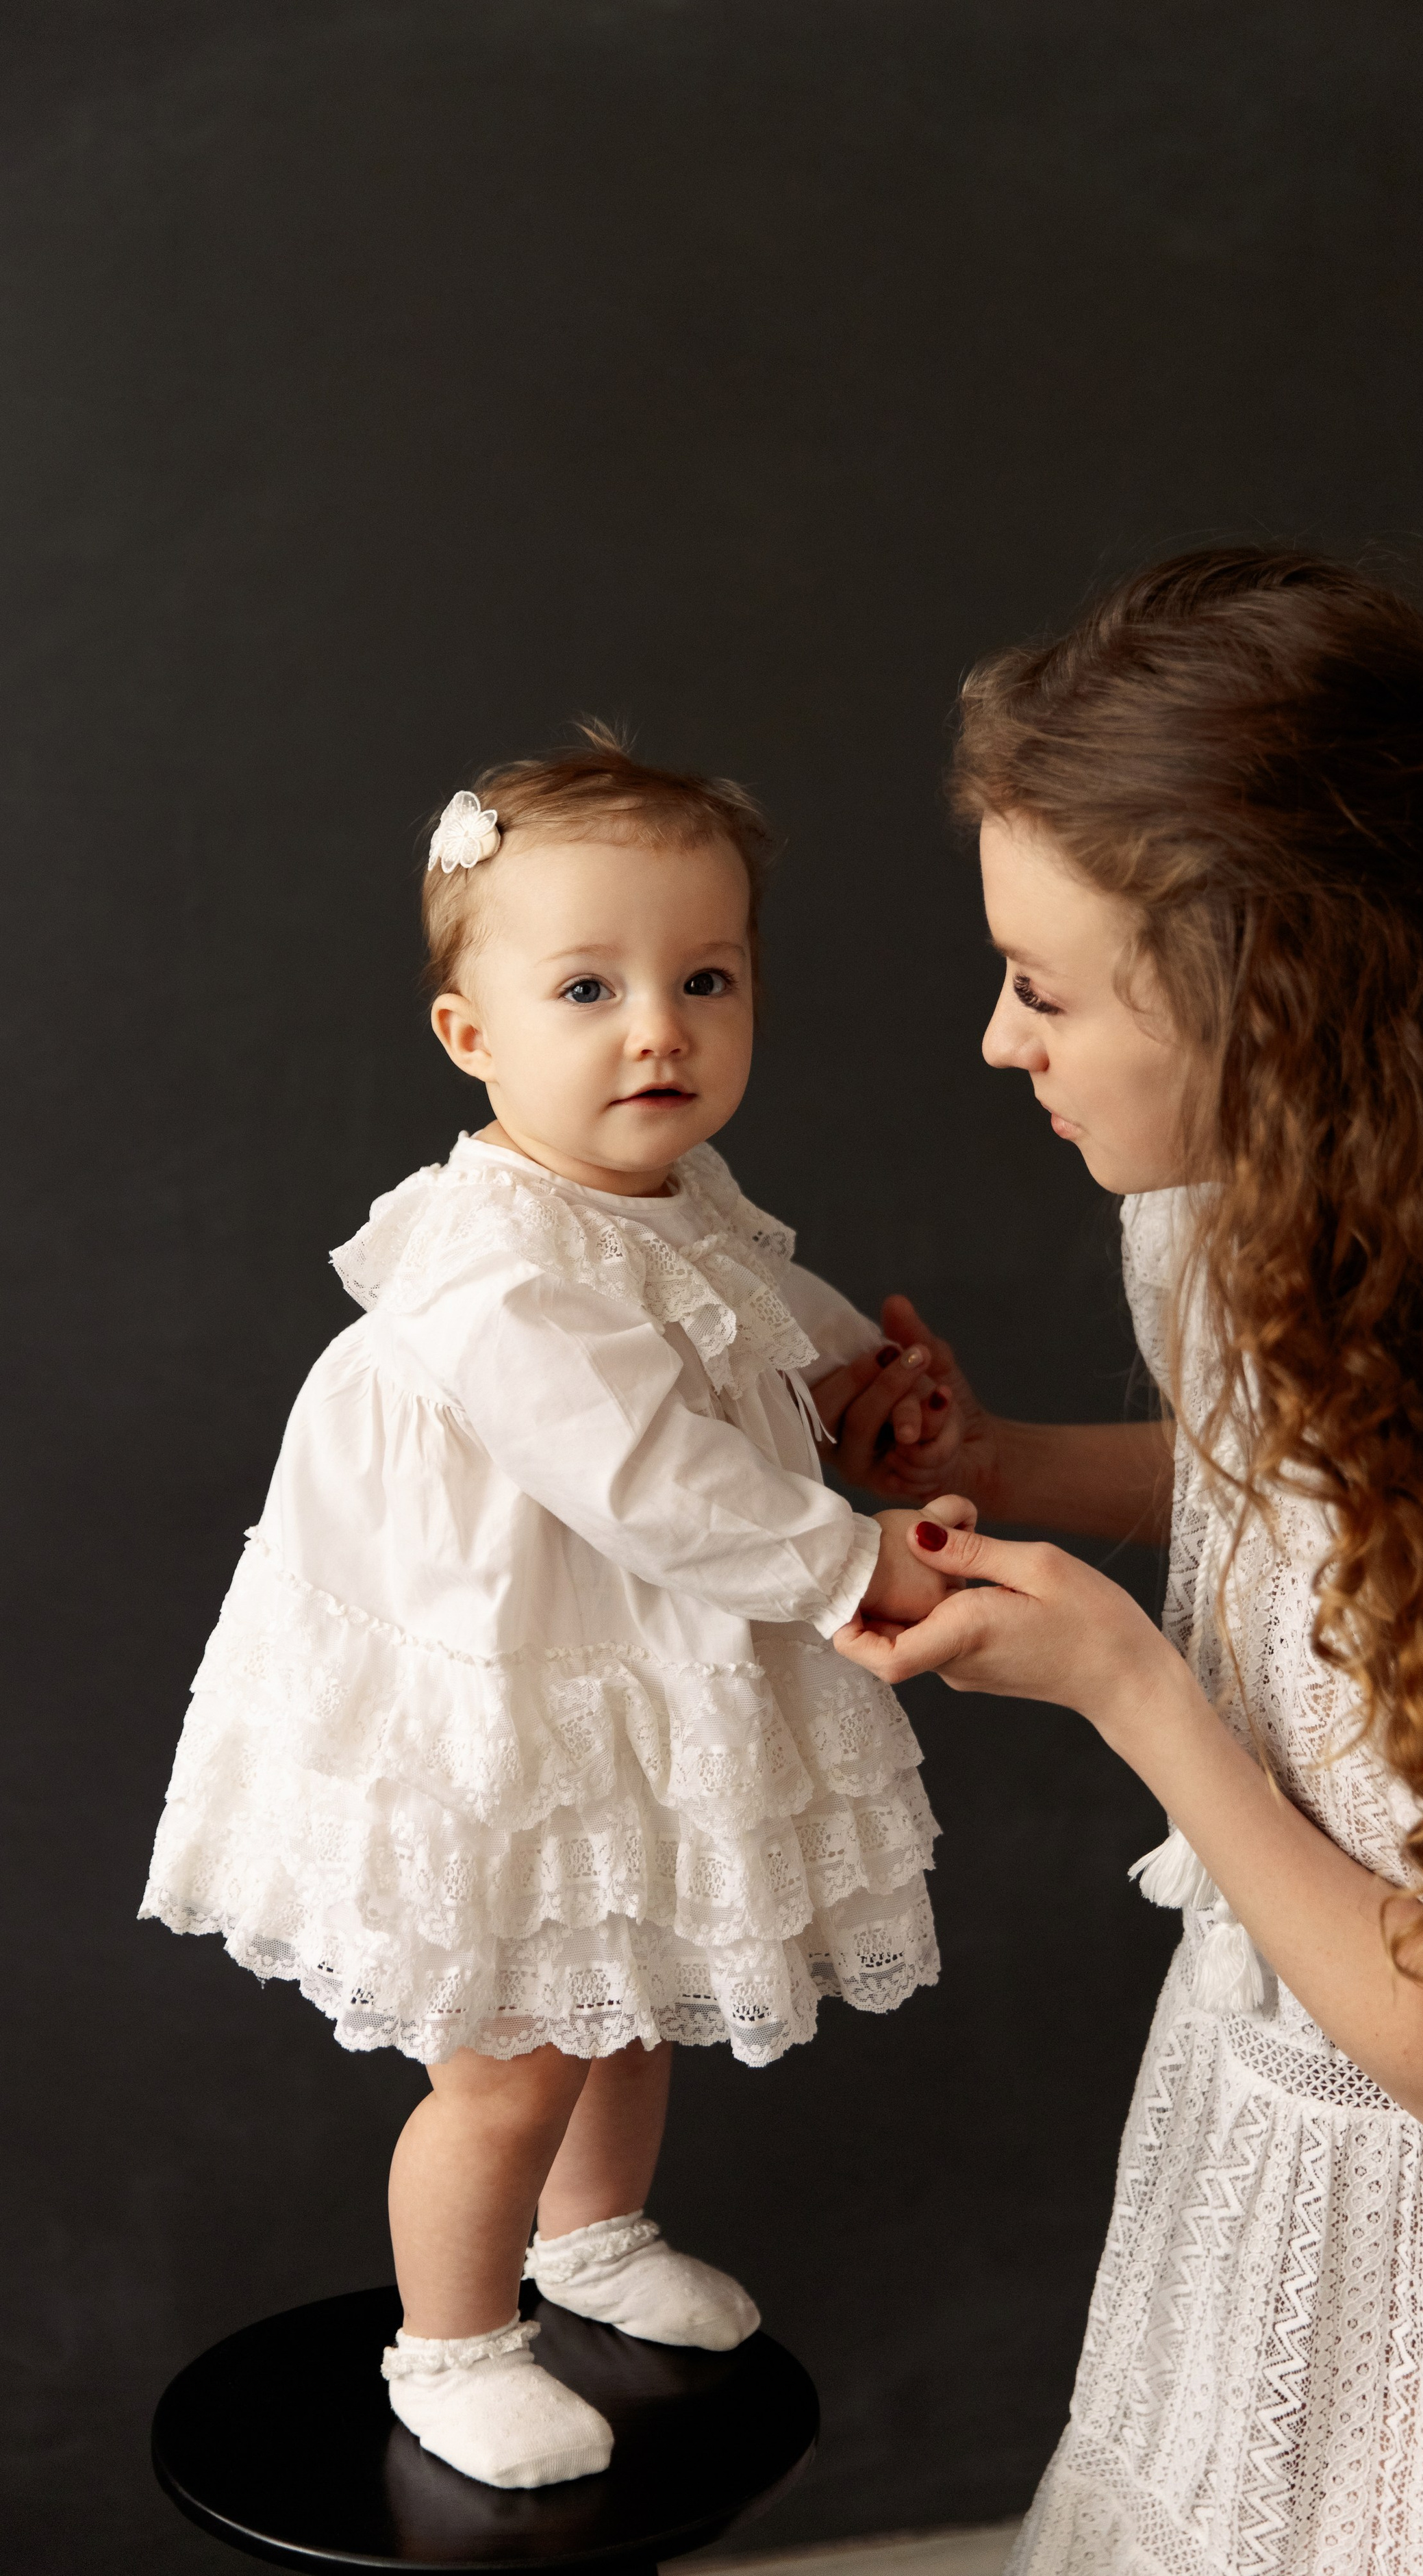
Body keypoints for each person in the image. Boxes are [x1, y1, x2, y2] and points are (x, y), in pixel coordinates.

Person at [832, 552, 1423, 2575]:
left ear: (1268, 994)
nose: (1001, 1043)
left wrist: (1129, 1693)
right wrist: (1010, 1463)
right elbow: (1295, 1500)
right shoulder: (1245, 1210)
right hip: (1284, 2143)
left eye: (1048, 988)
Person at [140, 731, 964, 2492]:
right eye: (586, 986)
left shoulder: (668, 1198)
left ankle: (591, 2237)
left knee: (629, 1992)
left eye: (703, 978)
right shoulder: (500, 1261)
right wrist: (854, 1563)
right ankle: (449, 2345)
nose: (655, 1027)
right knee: (508, 2057)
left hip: (620, 1671)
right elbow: (650, 1480)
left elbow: (758, 1312)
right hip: (494, 1695)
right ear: (472, 1035)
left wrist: (859, 1390)